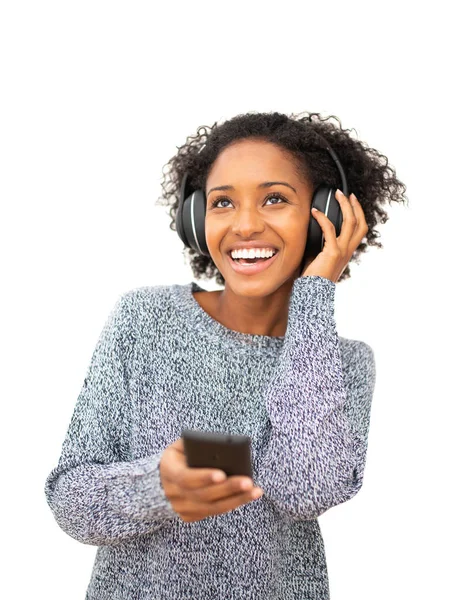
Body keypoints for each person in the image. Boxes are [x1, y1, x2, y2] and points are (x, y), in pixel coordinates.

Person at [44, 111, 408, 599]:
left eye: (275, 199)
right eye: (222, 203)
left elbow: (307, 489)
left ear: (329, 218)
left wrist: (315, 295)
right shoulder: (146, 319)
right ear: (197, 221)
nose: (245, 225)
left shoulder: (342, 362)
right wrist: (157, 488)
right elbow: (70, 499)